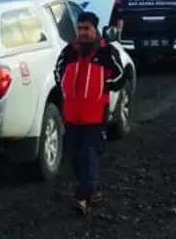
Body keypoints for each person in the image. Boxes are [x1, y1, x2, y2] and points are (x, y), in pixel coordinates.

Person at [53, 11, 128, 215]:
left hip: (95, 116)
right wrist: (66, 89)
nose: (83, 32)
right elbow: (58, 72)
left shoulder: (106, 52)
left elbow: (121, 76)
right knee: (76, 159)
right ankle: (93, 190)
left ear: (95, 29)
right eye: (79, 28)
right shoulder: (69, 51)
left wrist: (104, 84)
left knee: (89, 154)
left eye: (86, 28)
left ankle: (80, 198)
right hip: (72, 115)